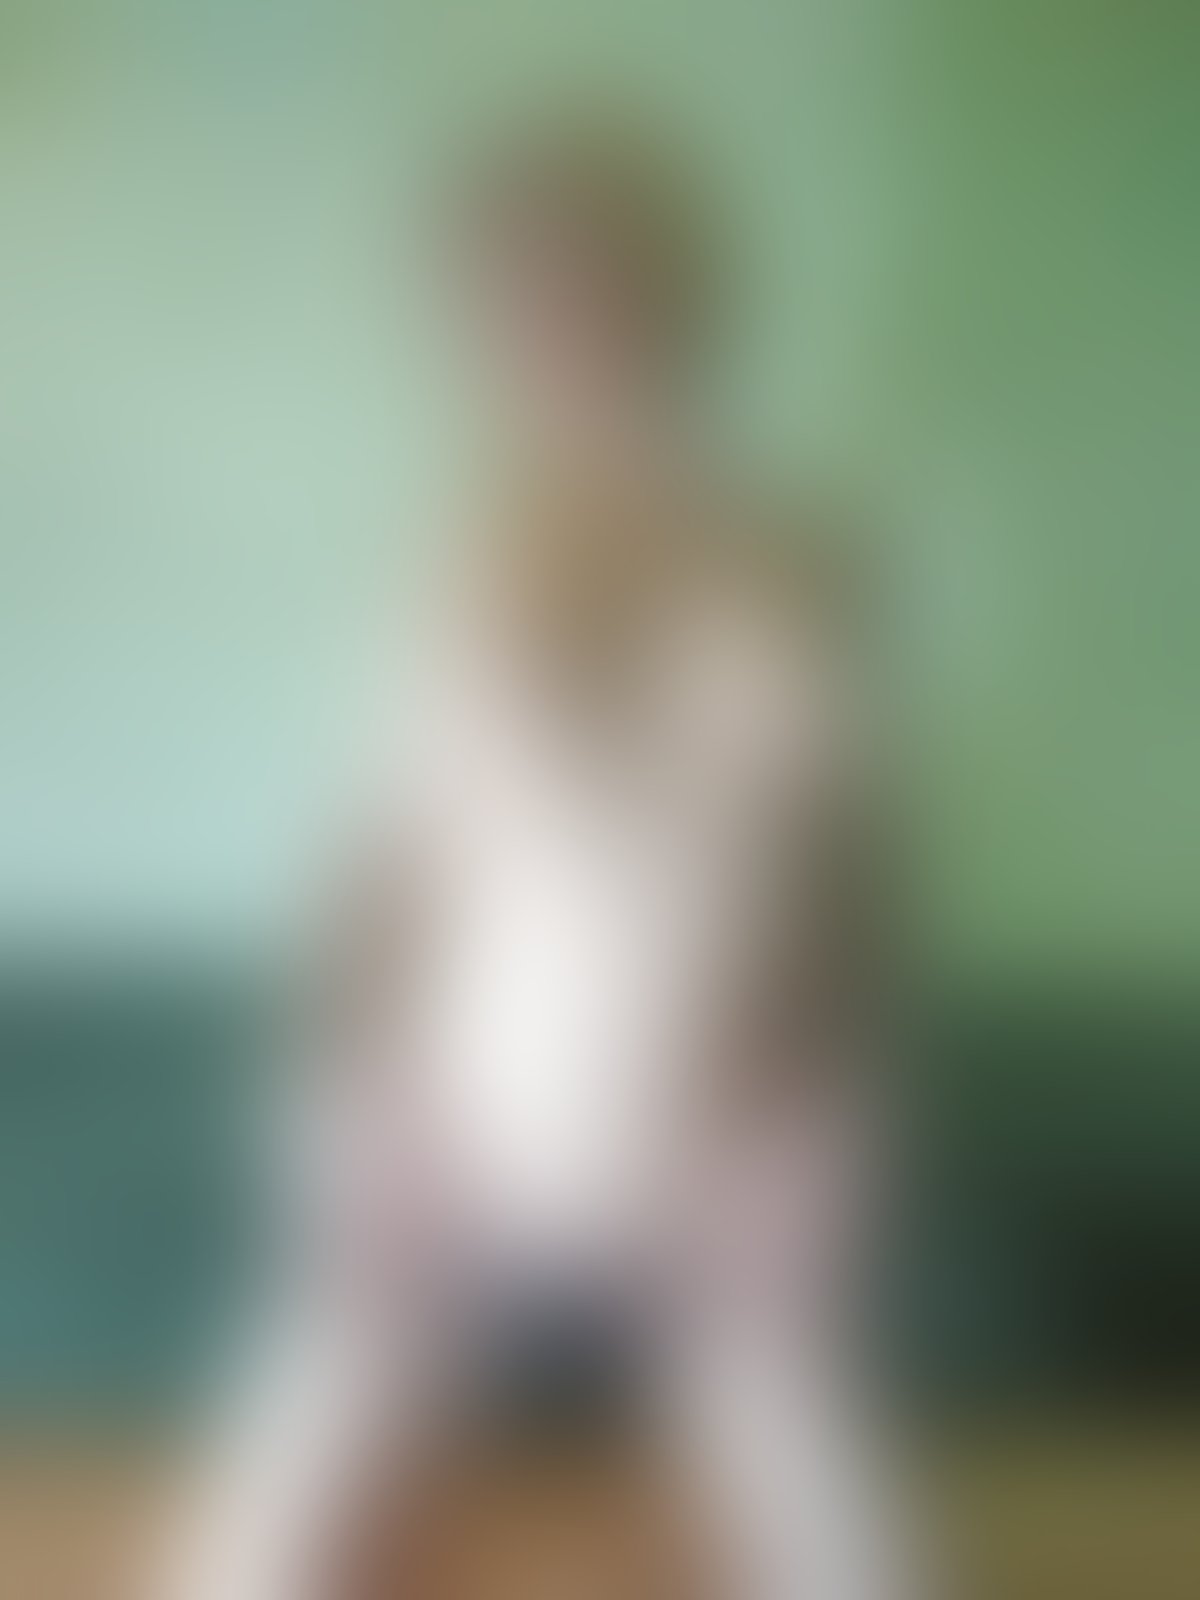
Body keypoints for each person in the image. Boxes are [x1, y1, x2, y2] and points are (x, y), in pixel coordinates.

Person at [156, 118, 911, 1600]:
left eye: (598, 288)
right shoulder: (449, 566)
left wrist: (817, 1138)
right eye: (520, 305)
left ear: (685, 302)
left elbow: (847, 866)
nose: (561, 335)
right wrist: (347, 1114)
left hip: (715, 1127)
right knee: (252, 1545)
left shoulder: (804, 553)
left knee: (838, 1543)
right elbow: (384, 866)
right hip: (461, 1114)